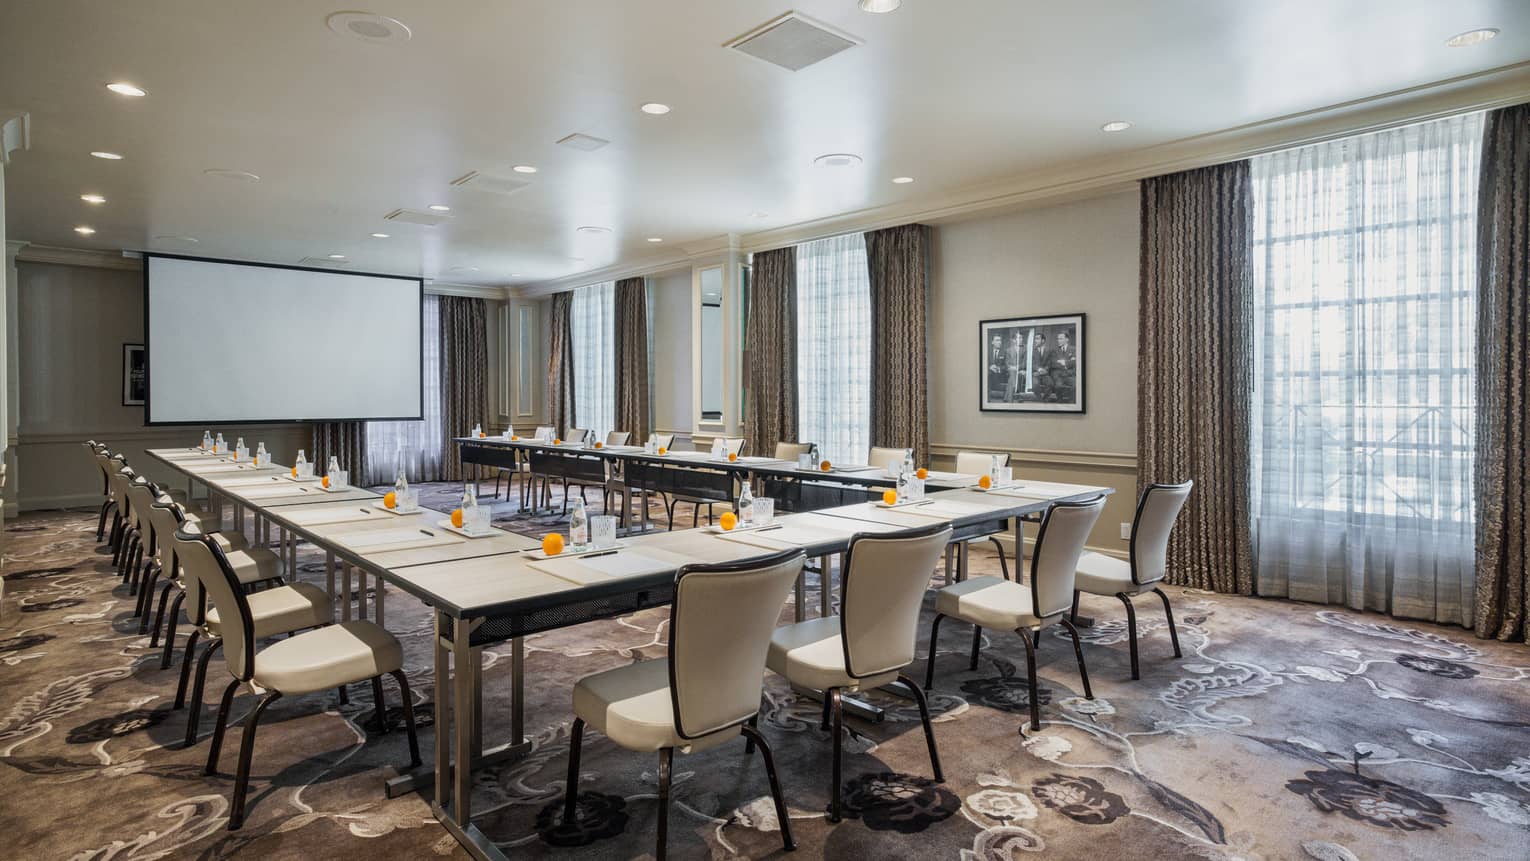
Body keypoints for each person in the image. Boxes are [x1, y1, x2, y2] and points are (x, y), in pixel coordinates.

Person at [1050, 329, 1077, 403]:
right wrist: (1068, 363)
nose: (1058, 340)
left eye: (1061, 338)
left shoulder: (1074, 349)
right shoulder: (1054, 351)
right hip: (1059, 376)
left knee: (1075, 386)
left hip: (1070, 375)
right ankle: (1060, 404)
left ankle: (1073, 405)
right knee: (1058, 387)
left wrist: (1064, 362)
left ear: (1067, 339)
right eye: (1058, 339)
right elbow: (1053, 363)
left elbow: (1075, 362)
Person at [986, 334, 1008, 402]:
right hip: (989, 373)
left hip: (1000, 375)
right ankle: (987, 399)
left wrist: (999, 368)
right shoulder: (987, 351)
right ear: (992, 342)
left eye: (1000, 340)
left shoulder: (1004, 352)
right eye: (997, 340)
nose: (999, 342)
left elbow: (1006, 366)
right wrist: (989, 367)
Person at [1005, 331, 1026, 401]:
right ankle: (1016, 394)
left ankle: (1008, 399)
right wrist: (1011, 367)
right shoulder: (1008, 350)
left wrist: (1017, 367)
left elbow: (1025, 362)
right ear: (1013, 340)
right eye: (1019, 338)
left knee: (1012, 377)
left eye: (1022, 338)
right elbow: (1007, 363)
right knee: (1012, 373)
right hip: (1011, 370)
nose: (1021, 339)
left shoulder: (1025, 349)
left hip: (1020, 370)